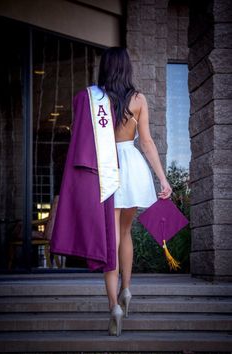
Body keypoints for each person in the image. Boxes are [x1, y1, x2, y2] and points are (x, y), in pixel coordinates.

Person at [98, 47, 172, 336]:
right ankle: (127, 291)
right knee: (125, 233)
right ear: (127, 68)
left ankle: (114, 306)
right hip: (131, 165)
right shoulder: (138, 99)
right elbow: (147, 142)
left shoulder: (96, 98)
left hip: (106, 166)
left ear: (105, 67)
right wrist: (162, 179)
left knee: (110, 238)